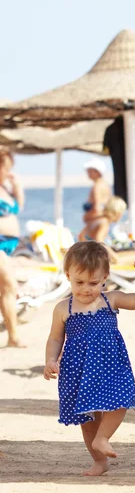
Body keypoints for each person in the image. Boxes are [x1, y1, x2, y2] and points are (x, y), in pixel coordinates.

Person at [43, 241, 135, 476]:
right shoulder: (64, 308)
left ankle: (103, 439)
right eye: (79, 282)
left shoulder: (110, 299)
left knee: (122, 401)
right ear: (68, 276)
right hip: (78, 370)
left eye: (93, 283)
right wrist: (50, 360)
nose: (86, 289)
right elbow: (55, 339)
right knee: (87, 420)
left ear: (105, 277)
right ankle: (99, 461)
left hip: (111, 367)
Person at [0, 147, 25, 347]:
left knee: (5, 289)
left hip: (9, 246)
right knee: (10, 285)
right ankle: (14, 336)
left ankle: (12, 336)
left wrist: (16, 185)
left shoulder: (5, 189)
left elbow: (20, 207)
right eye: (5, 168)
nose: (8, 172)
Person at [78, 196, 127, 263]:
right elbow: (99, 239)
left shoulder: (98, 219)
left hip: (86, 255)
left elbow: (81, 235)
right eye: (121, 213)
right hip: (92, 259)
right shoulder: (105, 223)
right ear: (117, 213)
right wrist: (114, 256)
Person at [82, 158, 112, 224]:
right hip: (104, 221)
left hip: (97, 223)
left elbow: (97, 208)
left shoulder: (97, 186)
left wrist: (86, 217)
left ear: (97, 171)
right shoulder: (106, 185)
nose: (87, 173)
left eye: (89, 171)